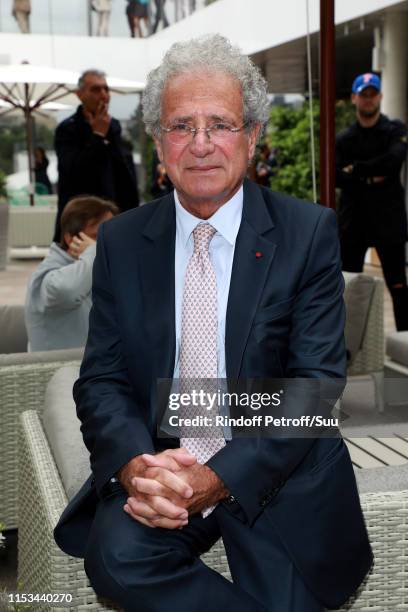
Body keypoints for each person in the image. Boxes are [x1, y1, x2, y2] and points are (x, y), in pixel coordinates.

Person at [54, 35, 372, 611]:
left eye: (220, 124)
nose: (200, 145)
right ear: (157, 140)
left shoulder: (307, 233)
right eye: (181, 126)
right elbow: (102, 378)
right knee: (117, 561)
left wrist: (219, 477)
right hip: (165, 465)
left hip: (275, 469)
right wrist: (134, 468)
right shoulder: (123, 242)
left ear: (252, 136)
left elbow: (314, 387)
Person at [336, 73, 408, 331]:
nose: (368, 99)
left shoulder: (395, 130)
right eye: (363, 95)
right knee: (349, 285)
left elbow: (394, 161)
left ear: (380, 96)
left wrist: (355, 169)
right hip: (354, 220)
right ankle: (347, 346)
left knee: (398, 286)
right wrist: (372, 176)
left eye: (372, 94)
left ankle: (405, 345)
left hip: (389, 219)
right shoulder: (344, 138)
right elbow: (335, 175)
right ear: (354, 98)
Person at [53, 69, 139, 242]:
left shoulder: (114, 126)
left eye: (106, 89)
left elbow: (122, 171)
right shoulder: (67, 129)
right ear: (79, 95)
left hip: (113, 215)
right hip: (80, 217)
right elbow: (73, 171)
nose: (103, 95)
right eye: (95, 89)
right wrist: (97, 136)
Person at [25, 196, 118, 352]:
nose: (108, 241)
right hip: (60, 372)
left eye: (111, 234)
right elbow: (66, 289)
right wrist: (95, 251)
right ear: (70, 239)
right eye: (98, 236)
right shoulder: (48, 273)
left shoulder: (97, 265)